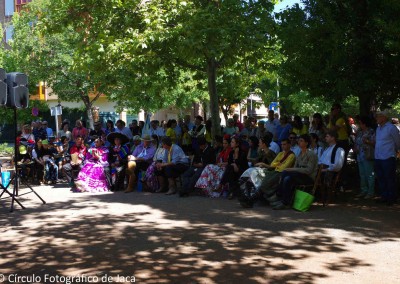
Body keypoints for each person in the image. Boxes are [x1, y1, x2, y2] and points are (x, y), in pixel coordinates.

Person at [240, 138, 295, 208]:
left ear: (289, 145)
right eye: (282, 144)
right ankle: (248, 198)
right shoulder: (280, 154)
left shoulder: (291, 155)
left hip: (280, 173)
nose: (282, 146)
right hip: (272, 170)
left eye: (284, 144)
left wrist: (275, 165)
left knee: (263, 184)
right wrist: (275, 165)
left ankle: (250, 200)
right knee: (252, 176)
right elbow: (272, 164)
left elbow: (283, 167)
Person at [272, 134, 318, 210]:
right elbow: (295, 167)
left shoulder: (311, 154)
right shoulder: (300, 153)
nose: (299, 142)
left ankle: (280, 196)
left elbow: (308, 170)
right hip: (299, 175)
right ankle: (283, 201)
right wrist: (292, 169)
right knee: (286, 177)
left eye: (301, 141)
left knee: (286, 175)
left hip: (308, 177)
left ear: (306, 143)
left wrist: (292, 169)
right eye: (299, 141)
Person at [374, 110, 400, 205]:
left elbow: (397, 141)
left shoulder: (391, 128)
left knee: (389, 178)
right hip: (378, 156)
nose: (376, 118)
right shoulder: (378, 128)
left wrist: (397, 151)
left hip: (388, 156)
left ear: (384, 118)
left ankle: (392, 197)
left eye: (378, 116)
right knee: (381, 177)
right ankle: (384, 196)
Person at [318, 130, 346, 202]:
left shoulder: (339, 149)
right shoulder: (327, 149)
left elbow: (338, 165)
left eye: (327, 136)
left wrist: (326, 169)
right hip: (322, 169)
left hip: (330, 172)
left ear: (333, 138)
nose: (325, 138)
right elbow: (321, 161)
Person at [353, 116, 375, 199]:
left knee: (370, 174)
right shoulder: (360, 132)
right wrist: (355, 148)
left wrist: (367, 142)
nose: (359, 125)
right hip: (359, 156)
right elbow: (356, 142)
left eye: (360, 123)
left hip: (368, 155)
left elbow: (374, 143)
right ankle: (364, 190)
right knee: (362, 174)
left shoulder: (371, 131)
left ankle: (371, 192)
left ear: (364, 124)